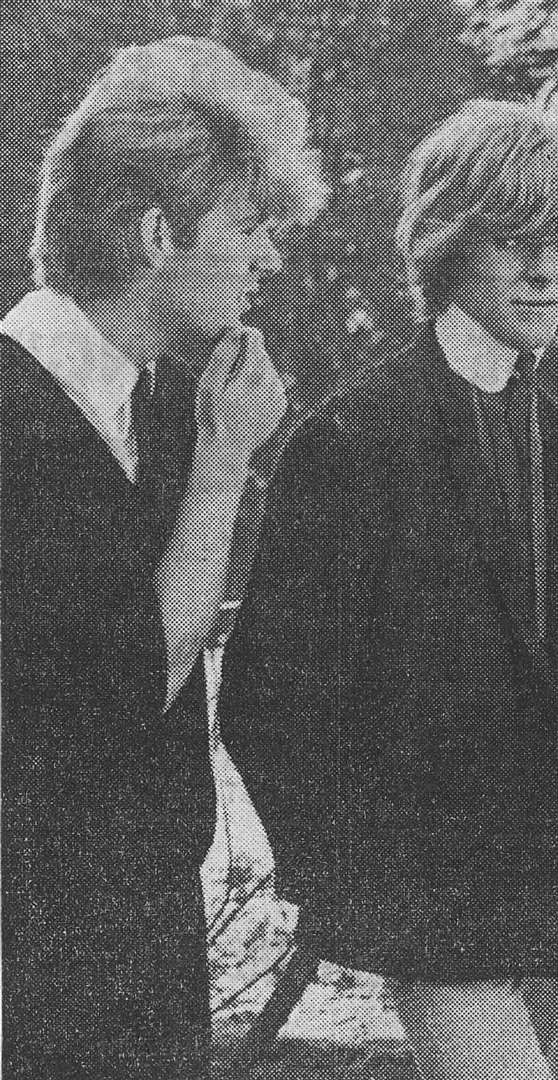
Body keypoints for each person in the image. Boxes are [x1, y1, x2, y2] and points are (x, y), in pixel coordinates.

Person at [219, 100, 558, 1080]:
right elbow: (264, 694)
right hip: (426, 903)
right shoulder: (354, 437)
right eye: (513, 240)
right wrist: (355, 884)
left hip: (544, 899)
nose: (544, 271)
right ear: (447, 245)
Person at [1, 37, 321, 1078]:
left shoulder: (157, 405)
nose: (268, 259)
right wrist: (225, 467)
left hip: (139, 924)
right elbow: (125, 678)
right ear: (153, 234)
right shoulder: (15, 414)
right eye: (246, 226)